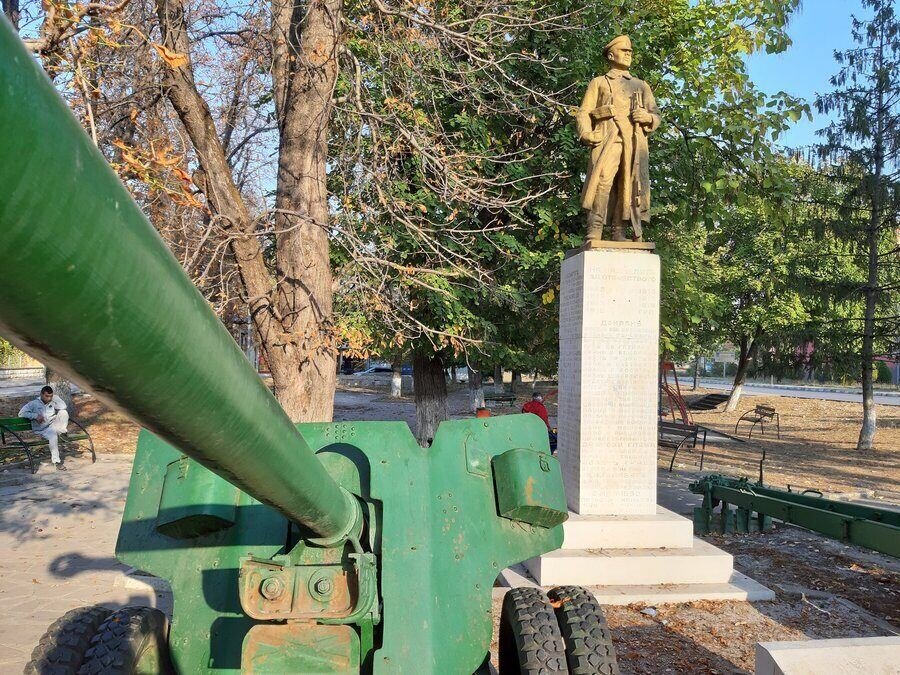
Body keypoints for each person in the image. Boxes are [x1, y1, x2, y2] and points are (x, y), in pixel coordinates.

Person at [576, 34, 661, 243]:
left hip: (633, 143)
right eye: (624, 51)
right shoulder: (599, 82)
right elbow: (584, 112)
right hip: (608, 139)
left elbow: (656, 115)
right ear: (611, 55)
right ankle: (595, 229)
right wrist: (586, 133)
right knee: (602, 182)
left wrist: (647, 117)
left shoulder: (641, 85)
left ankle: (619, 231)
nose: (628, 54)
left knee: (628, 186)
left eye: (630, 51)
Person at [18, 385, 69, 470]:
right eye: (46, 396)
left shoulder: (53, 401)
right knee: (53, 436)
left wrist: (55, 397)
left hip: (53, 425)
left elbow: (63, 406)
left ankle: (62, 431)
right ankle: (57, 461)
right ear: (41, 394)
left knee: (63, 412)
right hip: (42, 429)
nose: (49, 398)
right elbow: (21, 413)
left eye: (51, 396)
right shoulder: (34, 403)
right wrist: (35, 416)